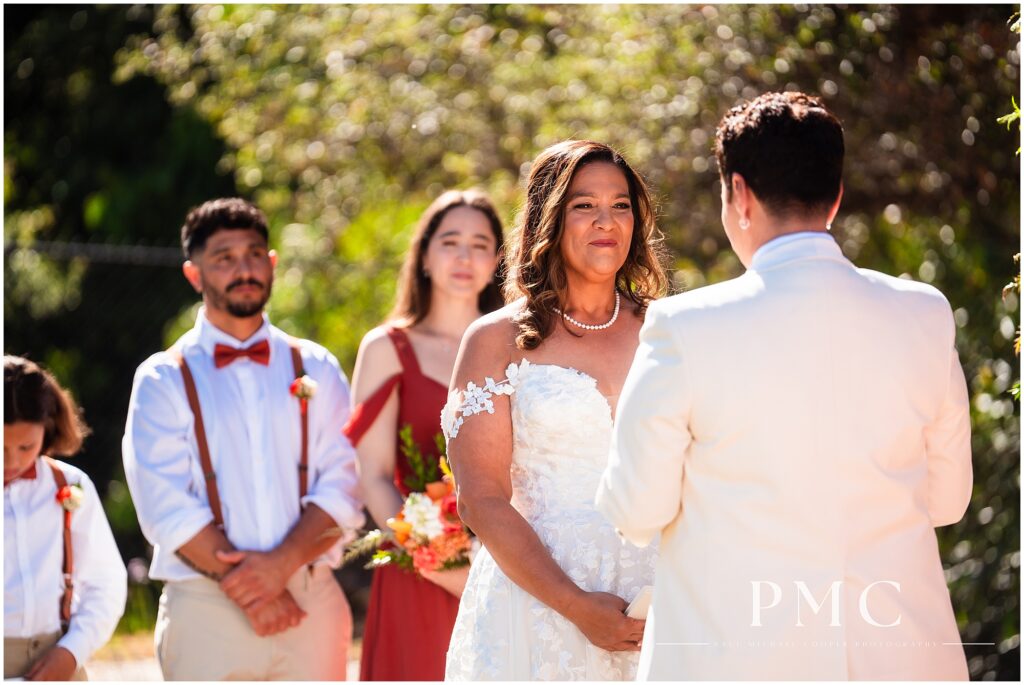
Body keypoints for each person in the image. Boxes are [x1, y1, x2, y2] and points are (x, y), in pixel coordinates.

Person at [596, 91, 972, 680]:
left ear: (739, 195)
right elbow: (948, 501)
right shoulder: (924, 313)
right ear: (837, 195)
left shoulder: (686, 326)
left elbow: (637, 507)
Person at [440, 140, 669, 680]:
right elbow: (481, 499)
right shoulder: (495, 340)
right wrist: (575, 605)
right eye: (584, 205)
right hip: (540, 601)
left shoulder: (669, 329)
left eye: (621, 205)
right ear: (550, 216)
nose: (606, 221)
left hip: (661, 594)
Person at [122, 197, 365, 680]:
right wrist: (249, 587)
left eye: (254, 254)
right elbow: (163, 504)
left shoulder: (315, 366)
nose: (244, 269)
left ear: (272, 263)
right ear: (195, 275)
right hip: (205, 609)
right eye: (224, 258)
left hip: (311, 599)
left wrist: (279, 569)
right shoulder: (162, 378)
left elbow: (343, 482)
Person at [344, 189, 505, 681]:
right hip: (417, 572)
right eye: (450, 241)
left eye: (480, 244)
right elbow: (371, 476)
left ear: (498, 260)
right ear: (425, 255)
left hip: (506, 570)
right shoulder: (387, 347)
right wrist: (438, 561)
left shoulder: (519, 345)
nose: (464, 256)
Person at [4, 355, 127, 681]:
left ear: (47, 430)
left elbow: (107, 583)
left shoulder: (69, 485)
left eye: (26, 447)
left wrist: (72, 651)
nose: (12, 462)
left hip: (57, 660)